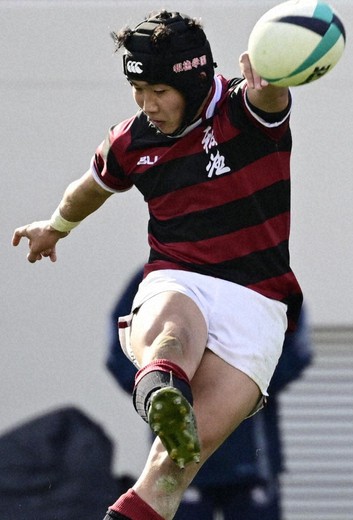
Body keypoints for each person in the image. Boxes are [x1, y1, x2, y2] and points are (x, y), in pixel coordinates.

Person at [12, 10, 304, 520]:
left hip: (259, 304)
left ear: (192, 83)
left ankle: (168, 406)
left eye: (159, 91)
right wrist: (55, 226)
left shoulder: (241, 109)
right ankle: (164, 390)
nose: (148, 105)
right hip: (180, 275)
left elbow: (269, 98)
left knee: (167, 477)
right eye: (138, 89)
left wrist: (276, 73)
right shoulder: (132, 140)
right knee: (170, 333)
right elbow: (90, 188)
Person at [106, 270, 313, 519]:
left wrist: (240, 376)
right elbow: (120, 354)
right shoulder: (157, 274)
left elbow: (297, 351)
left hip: (248, 451)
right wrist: (170, 382)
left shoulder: (266, 271)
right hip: (181, 447)